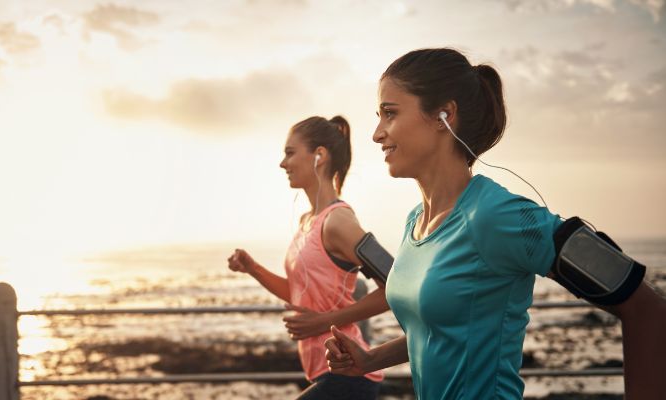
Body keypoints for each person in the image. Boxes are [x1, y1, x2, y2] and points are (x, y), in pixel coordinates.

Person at [324, 48, 666, 399]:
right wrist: (369, 359)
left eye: (390, 114)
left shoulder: (497, 216)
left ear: (445, 114)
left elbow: (647, 308)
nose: (377, 133)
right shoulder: (416, 221)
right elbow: (442, 326)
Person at [227, 115, 389, 400]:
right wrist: (253, 268)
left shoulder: (338, 221)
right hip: (324, 372)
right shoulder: (307, 221)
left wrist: (326, 321)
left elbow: (397, 285)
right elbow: (298, 293)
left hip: (350, 374)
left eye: (290, 153)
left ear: (319, 156)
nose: (282, 163)